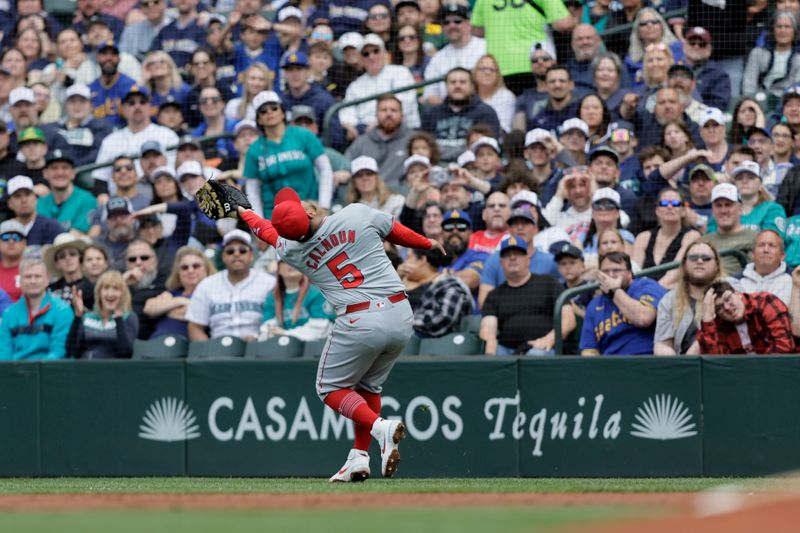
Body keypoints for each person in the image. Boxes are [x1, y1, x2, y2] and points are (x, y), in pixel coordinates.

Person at [236, 185, 445, 482]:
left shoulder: (291, 252)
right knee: (368, 388)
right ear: (308, 211)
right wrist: (427, 243)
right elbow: (396, 231)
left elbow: (265, 231)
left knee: (329, 388)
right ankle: (359, 459)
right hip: (400, 315)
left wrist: (244, 212)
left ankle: (379, 427)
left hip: (360, 320)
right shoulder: (355, 214)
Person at [243, 91, 333, 218]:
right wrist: (259, 223)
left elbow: (325, 169)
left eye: (274, 108)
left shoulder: (304, 135)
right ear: (258, 119)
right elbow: (252, 191)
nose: (269, 112)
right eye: (263, 111)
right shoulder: (254, 150)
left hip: (311, 210)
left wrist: (324, 205)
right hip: (276, 218)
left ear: (283, 112)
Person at [480, 236, 573, 355]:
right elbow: (488, 329)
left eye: (518, 254)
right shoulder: (494, 295)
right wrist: (491, 356)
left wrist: (548, 339)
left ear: (528, 259)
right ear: (501, 262)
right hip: (507, 350)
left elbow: (568, 320)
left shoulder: (549, 283)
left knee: (535, 355)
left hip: (543, 347)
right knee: (494, 354)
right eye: (507, 255)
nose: (512, 258)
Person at [186, 230, 275, 341]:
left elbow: (277, 322)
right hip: (219, 350)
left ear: (251, 255)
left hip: (258, 349)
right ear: (223, 256)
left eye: (242, 250)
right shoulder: (207, 285)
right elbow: (195, 327)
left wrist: (260, 339)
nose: (236, 254)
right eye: (230, 251)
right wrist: (209, 350)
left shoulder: (269, 283)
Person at [470, 0, 574, 95]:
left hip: (499, 69)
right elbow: (563, 24)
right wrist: (575, 18)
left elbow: (476, 30)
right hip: (535, 66)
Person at [92, 86, 179, 192]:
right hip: (119, 200)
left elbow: (174, 172)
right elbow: (100, 179)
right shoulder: (110, 140)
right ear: (123, 108)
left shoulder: (167, 135)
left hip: (158, 195)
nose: (137, 106)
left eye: (142, 102)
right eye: (131, 103)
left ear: (150, 107)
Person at [580, 251, 667, 355]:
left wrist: (614, 291)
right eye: (605, 271)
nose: (610, 275)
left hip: (646, 360)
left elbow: (644, 318)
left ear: (629, 273)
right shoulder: (594, 305)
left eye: (616, 270)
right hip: (611, 366)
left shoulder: (646, 286)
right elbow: (589, 349)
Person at [338, 34, 420, 141]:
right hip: (366, 135)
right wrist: (350, 127)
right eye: (366, 54)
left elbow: (406, 105)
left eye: (376, 51)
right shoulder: (355, 85)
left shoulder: (401, 72)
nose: (371, 57)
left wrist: (378, 123)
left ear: (385, 54)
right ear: (361, 59)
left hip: (401, 132)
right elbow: (347, 112)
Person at [477, 206, 559, 309]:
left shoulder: (550, 261)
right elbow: (484, 301)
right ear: (509, 230)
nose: (520, 227)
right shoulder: (495, 260)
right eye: (515, 224)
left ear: (536, 229)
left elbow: (561, 301)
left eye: (525, 223)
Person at [654, 240, 726, 355]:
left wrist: (692, 354)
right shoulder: (669, 300)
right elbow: (663, 343)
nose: (699, 261)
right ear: (684, 264)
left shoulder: (730, 290)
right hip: (683, 367)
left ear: (717, 265)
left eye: (706, 258)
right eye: (693, 257)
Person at [420, 66, 501, 162]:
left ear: (472, 86)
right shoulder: (431, 113)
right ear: (446, 86)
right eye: (453, 82)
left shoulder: (486, 112)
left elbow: (490, 149)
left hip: (473, 167)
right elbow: (423, 146)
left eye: (462, 82)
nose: (457, 86)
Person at [0, 259, 73, 360]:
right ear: (20, 281)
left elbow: (59, 352)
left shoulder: (62, 311)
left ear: (47, 280)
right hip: (16, 372)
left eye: (37, 276)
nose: (32, 281)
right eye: (28, 277)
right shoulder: (9, 314)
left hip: (50, 372)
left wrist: (34, 371)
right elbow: (4, 354)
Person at [697, 280, 795, 354]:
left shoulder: (765, 302)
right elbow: (714, 363)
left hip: (778, 372)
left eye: (728, 299)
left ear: (737, 293)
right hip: (740, 377)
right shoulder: (717, 324)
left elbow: (784, 346)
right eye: (719, 308)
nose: (727, 307)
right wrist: (707, 318)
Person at [631, 188, 701, 287]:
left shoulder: (692, 236)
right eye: (664, 203)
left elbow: (675, 273)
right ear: (657, 210)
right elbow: (635, 272)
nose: (669, 206)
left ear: (684, 211)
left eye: (675, 203)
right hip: (643, 294)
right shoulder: (644, 237)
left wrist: (654, 291)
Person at [344, 95, 415, 190]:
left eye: (393, 110)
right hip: (367, 197)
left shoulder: (414, 139)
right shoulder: (362, 141)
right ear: (376, 115)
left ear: (402, 115)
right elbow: (346, 164)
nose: (388, 114)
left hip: (401, 195)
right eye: (384, 110)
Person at [421, 3, 486, 106]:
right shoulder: (438, 58)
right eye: (447, 22)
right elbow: (429, 95)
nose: (452, 26)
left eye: (457, 21)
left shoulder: (485, 48)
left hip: (482, 109)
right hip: (449, 115)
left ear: (468, 25)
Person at [145, 246, 215, 339]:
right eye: (184, 267)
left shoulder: (213, 293)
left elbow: (202, 314)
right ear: (178, 273)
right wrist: (181, 301)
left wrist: (167, 308)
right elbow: (149, 308)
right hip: (156, 343)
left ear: (206, 269)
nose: (190, 271)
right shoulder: (174, 292)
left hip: (186, 347)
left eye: (196, 266)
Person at [66, 270, 138, 359]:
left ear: (123, 294)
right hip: (85, 368)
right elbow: (72, 350)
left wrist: (118, 319)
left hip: (112, 370)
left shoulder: (128, 317)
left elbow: (126, 353)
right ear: (99, 292)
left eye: (116, 289)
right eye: (106, 288)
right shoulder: (87, 317)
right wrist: (77, 316)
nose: (110, 293)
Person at [259, 260, 335, 342]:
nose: (291, 263)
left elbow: (322, 329)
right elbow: (267, 328)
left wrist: (287, 333)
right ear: (279, 269)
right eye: (285, 260)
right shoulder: (272, 297)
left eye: (295, 259)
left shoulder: (317, 293)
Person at [707, 161, 787, 236]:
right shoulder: (724, 209)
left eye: (751, 178)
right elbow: (711, 237)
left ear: (760, 184)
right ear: (734, 184)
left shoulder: (772, 209)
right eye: (740, 178)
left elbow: (772, 241)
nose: (744, 181)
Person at [743, 11, 800, 102]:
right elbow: (749, 83)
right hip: (759, 100)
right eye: (779, 26)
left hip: (786, 102)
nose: (782, 30)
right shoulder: (757, 53)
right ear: (773, 30)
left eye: (787, 27)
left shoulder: (798, 58)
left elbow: (796, 88)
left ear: (795, 31)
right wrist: (751, 103)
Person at [704, 183, 758, 276]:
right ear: (713, 210)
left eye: (728, 205)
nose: (723, 211)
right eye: (718, 205)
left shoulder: (755, 238)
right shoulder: (704, 241)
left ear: (740, 208)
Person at [37, 150, 97, 235]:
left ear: (73, 173)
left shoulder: (87, 200)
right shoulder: (40, 203)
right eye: (54, 168)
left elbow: (78, 235)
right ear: (45, 173)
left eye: (65, 168)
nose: (60, 173)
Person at [734, 229, 792, 305]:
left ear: (782, 255)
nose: (766, 250)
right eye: (761, 245)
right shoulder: (736, 281)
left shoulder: (794, 280)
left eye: (771, 245)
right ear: (753, 253)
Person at [88, 40, 137, 127]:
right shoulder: (90, 88)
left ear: (119, 59)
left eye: (113, 54)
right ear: (97, 58)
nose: (109, 58)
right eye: (104, 54)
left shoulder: (130, 85)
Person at [682, 26, 731, 111]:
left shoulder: (719, 75)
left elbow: (718, 107)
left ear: (710, 48)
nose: (696, 47)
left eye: (702, 44)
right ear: (684, 45)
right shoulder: (673, 70)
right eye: (692, 43)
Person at [5, 175, 61, 246]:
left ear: (35, 198)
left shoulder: (51, 226)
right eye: (17, 196)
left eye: (27, 194)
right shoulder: (4, 230)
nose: (24, 200)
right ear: (10, 203)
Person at [44, 232, 94, 309]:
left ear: (80, 258)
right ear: (57, 264)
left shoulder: (91, 287)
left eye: (72, 254)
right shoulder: (50, 288)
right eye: (62, 256)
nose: (68, 258)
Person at [472, 54, 515, 134]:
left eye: (492, 70)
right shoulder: (468, 97)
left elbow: (503, 128)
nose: (487, 73)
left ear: (497, 75)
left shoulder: (506, 97)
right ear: (475, 73)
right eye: (483, 69)